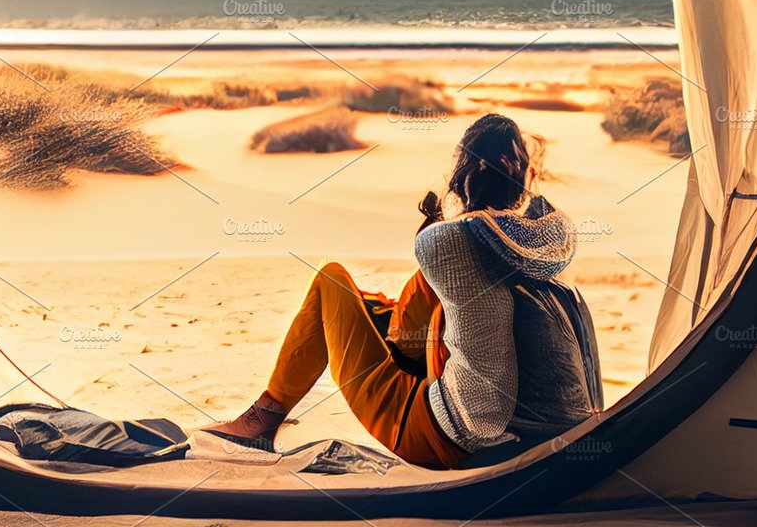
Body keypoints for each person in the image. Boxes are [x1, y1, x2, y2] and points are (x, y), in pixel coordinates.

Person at [203, 113, 602, 467]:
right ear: (524, 174)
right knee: (372, 307)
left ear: (468, 170)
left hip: (443, 435)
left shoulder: (452, 243)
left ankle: (261, 419)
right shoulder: (545, 245)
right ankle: (264, 415)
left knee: (330, 280)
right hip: (549, 429)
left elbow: (406, 349)